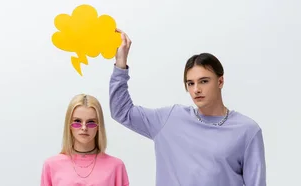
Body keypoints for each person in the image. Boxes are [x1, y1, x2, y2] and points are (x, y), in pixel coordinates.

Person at [108, 29, 266, 186]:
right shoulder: (169, 119)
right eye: (190, 83)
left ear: (220, 82)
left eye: (204, 81)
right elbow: (122, 112)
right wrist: (120, 64)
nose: (196, 89)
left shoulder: (246, 130)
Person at [40, 94, 129, 186]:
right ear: (69, 124)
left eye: (91, 122)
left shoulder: (116, 166)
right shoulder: (51, 165)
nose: (84, 128)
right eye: (77, 121)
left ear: (99, 126)